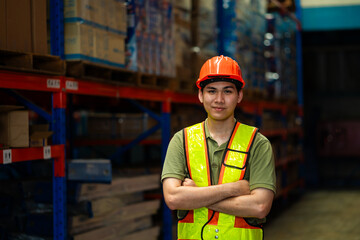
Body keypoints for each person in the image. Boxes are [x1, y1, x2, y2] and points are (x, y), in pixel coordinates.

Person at [161, 55, 276, 240]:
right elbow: (173, 199)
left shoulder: (257, 144)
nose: (219, 99)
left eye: (228, 91)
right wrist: (233, 189)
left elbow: (260, 207)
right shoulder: (181, 141)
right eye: (212, 91)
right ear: (200, 95)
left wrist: (196, 194)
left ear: (239, 96)